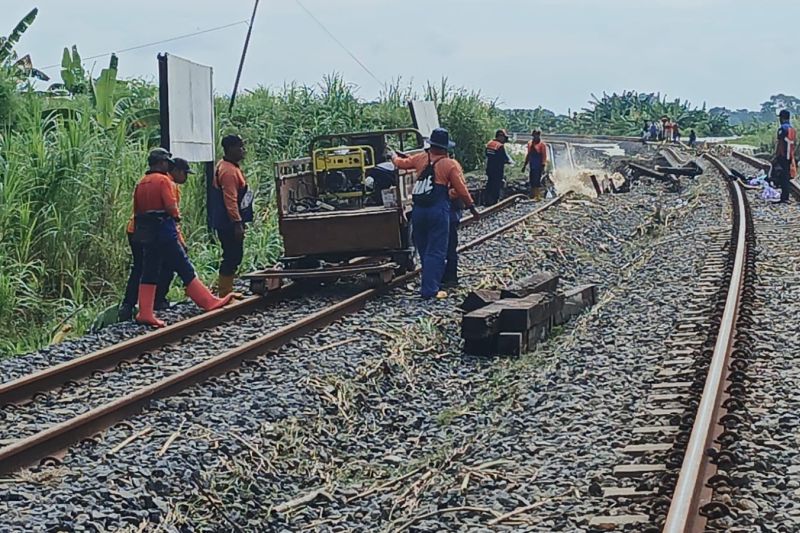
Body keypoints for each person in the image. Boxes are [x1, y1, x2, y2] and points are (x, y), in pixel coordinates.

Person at [132, 149, 233, 327]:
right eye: (166, 163)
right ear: (161, 163)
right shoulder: (163, 180)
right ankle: (207, 301)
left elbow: (137, 209)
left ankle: (145, 312)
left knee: (149, 270)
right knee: (183, 265)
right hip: (164, 230)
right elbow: (171, 206)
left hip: (146, 232)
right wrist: (176, 215)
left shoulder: (141, 183)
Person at [393, 128, 478, 299]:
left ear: (431, 145)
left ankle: (429, 281)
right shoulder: (449, 164)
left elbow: (401, 163)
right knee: (437, 250)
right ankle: (430, 290)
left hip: (418, 211)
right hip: (437, 210)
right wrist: (472, 207)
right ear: (446, 148)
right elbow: (461, 189)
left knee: (424, 249)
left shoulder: (421, 159)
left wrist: (392, 156)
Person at [119, 157, 193, 321]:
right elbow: (172, 216)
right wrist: (180, 241)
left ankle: (128, 305)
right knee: (168, 265)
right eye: (185, 173)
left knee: (140, 268)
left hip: (136, 230)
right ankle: (158, 300)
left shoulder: (144, 181)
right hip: (155, 231)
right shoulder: (167, 183)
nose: (186, 178)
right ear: (177, 171)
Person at [211, 135, 253, 296]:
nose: (243, 150)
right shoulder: (228, 171)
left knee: (232, 255)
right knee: (232, 255)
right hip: (228, 223)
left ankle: (227, 290)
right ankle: (225, 292)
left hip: (227, 221)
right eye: (240, 147)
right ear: (230, 149)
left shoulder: (227, 166)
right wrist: (237, 223)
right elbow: (230, 199)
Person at [442, 147, 462, 288]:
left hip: (449, 211)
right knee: (448, 247)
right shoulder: (451, 165)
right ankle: (448, 276)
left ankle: (450, 277)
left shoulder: (451, 166)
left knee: (448, 246)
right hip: (447, 212)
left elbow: (459, 189)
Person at [772, 110, 797, 204]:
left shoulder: (782, 129)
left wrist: (776, 156)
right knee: (786, 176)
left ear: (782, 118)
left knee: (782, 177)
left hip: (782, 155)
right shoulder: (792, 129)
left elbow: (780, 143)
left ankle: (784, 197)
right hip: (790, 155)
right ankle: (785, 196)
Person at [483, 128, 512, 206]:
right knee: (496, 186)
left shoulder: (489, 144)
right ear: (500, 136)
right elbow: (504, 158)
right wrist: (509, 162)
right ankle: (494, 202)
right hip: (498, 169)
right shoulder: (499, 146)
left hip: (489, 168)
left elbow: (487, 154)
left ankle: (487, 200)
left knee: (489, 184)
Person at [522, 129, 548, 200]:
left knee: (537, 181)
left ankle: (537, 196)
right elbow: (528, 154)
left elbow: (544, 156)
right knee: (532, 180)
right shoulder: (530, 143)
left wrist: (543, 166)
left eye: (537, 135)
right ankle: (532, 195)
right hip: (532, 165)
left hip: (538, 165)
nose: (535, 136)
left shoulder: (542, 144)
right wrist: (524, 165)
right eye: (534, 135)